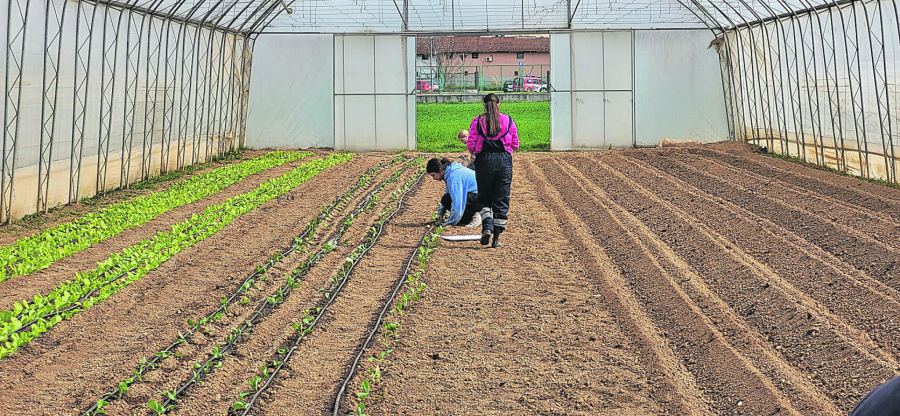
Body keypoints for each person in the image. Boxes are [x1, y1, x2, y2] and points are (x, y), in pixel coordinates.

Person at [467, 93, 519, 248]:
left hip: (484, 161)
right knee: (501, 198)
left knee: (484, 197)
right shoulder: (508, 120)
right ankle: (496, 238)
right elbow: (515, 144)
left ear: (484, 105)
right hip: (504, 161)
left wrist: (478, 151)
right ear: (499, 104)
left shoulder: (477, 121)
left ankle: (487, 228)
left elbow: (471, 145)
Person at [426, 157, 481, 228]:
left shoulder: (453, 177)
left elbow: (457, 201)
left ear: (440, 170)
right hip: (476, 196)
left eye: (433, 175)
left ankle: (476, 215)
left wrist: (450, 223)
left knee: (448, 200)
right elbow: (448, 194)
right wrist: (441, 213)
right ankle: (467, 218)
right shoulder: (450, 172)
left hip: (481, 197)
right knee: (446, 199)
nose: (433, 178)